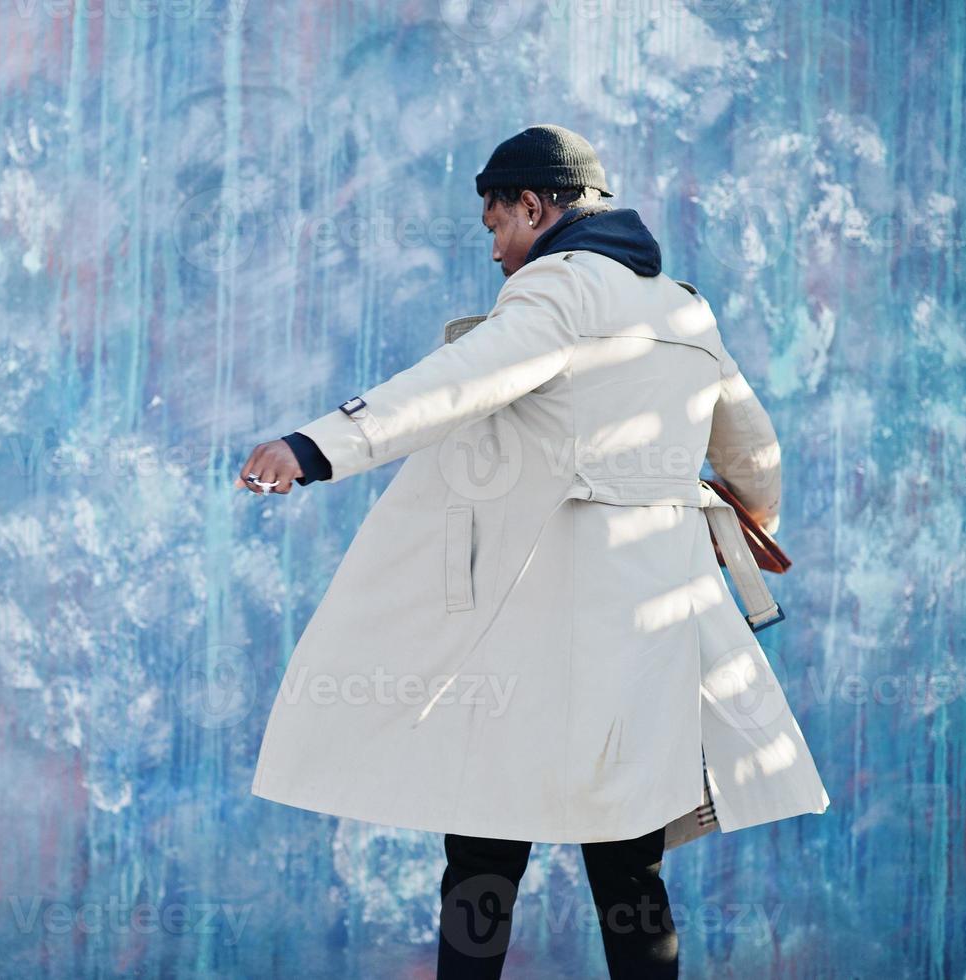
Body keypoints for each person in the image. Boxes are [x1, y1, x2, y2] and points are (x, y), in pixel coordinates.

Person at [238, 125, 828, 978]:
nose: (495, 249)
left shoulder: (558, 290)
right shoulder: (681, 305)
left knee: (484, 846)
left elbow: (459, 380)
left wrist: (318, 445)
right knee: (629, 854)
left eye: (496, 226)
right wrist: (734, 517)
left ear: (534, 204)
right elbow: (753, 451)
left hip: (537, 618)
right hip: (653, 623)